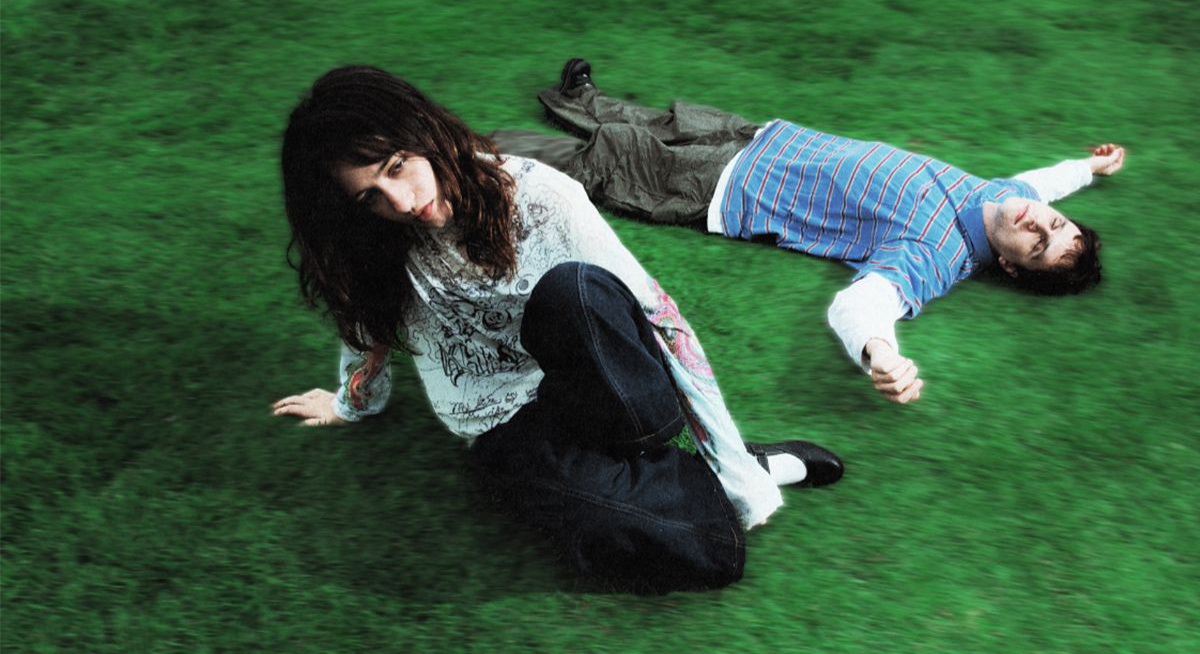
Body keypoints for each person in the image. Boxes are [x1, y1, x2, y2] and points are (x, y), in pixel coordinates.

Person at [271, 65, 843, 594]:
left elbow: (662, 322)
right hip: (504, 424)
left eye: (398, 167)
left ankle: (703, 467)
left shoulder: (539, 195)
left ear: (425, 133)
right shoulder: (374, 243)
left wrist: (736, 473)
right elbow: (367, 327)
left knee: (575, 290)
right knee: (710, 554)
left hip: (607, 387)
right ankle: (695, 477)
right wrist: (350, 403)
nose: (400, 201)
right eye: (370, 196)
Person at [492, 59, 1126, 406]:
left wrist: (880, 352)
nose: (1039, 223)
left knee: (608, 163)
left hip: (727, 191)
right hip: (767, 140)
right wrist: (1091, 167)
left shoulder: (936, 254)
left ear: (1011, 266)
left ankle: (473, 157)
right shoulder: (1012, 198)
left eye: (1039, 245)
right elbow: (1045, 184)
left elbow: (862, 304)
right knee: (662, 121)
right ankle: (582, 98)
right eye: (1054, 224)